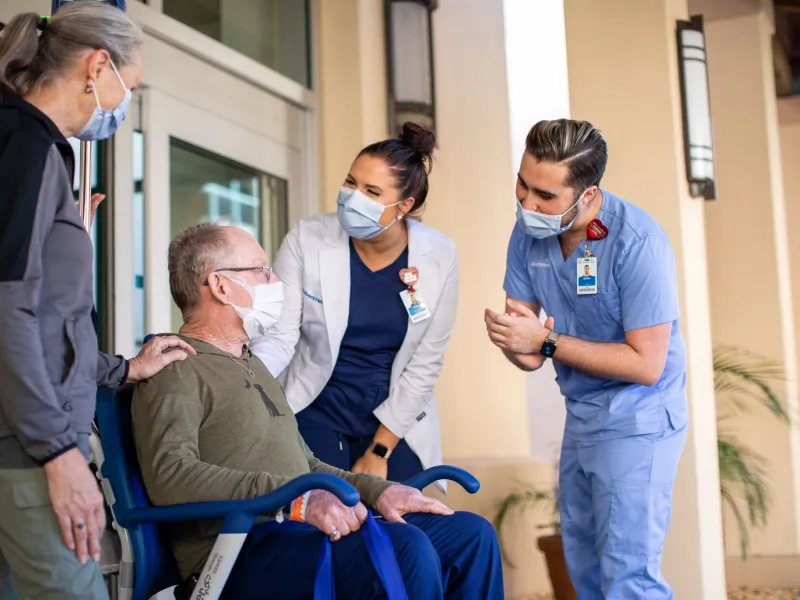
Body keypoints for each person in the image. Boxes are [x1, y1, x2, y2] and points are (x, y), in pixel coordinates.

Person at [132, 222, 503, 600]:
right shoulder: (174, 367)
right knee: (405, 547)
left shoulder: (253, 365)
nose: (274, 279)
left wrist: (382, 492)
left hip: (297, 532)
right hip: (239, 553)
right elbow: (170, 475)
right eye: (261, 270)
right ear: (220, 286)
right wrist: (294, 499)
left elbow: (306, 466)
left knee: (469, 536)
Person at [0, 6, 194, 599]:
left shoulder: (31, 149)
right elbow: (9, 308)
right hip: (28, 447)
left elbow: (47, 315)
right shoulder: (26, 146)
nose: (121, 105)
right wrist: (58, 453)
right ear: (97, 66)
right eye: (127, 88)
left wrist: (124, 368)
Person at [484, 119, 687, 599]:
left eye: (546, 196)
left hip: (639, 419)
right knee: (584, 571)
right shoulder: (527, 233)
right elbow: (530, 356)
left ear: (588, 193)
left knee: (629, 579)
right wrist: (515, 342)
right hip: (581, 417)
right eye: (523, 184)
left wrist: (546, 343)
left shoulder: (638, 243)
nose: (527, 203)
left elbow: (646, 365)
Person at [251, 122, 459, 484]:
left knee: (403, 524)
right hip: (316, 405)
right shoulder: (308, 239)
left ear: (403, 205)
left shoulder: (439, 255)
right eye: (351, 182)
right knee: (327, 512)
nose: (352, 196)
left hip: (393, 416)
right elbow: (280, 337)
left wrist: (380, 450)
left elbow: (425, 363)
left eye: (371, 191)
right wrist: (240, 385)